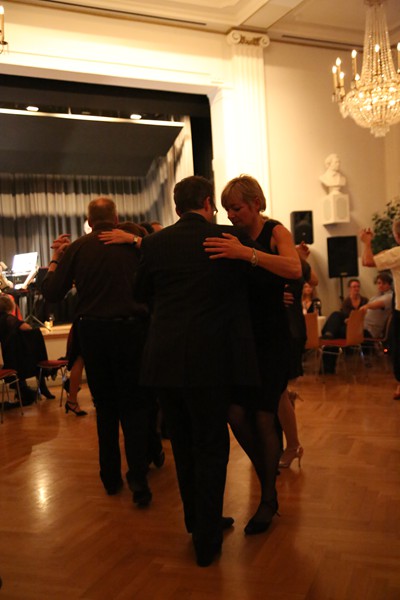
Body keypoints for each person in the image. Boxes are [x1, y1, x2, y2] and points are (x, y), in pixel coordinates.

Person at [134, 175, 260, 567]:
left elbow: (140, 293)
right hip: (209, 361)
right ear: (208, 202)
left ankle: (197, 522)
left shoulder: (154, 243)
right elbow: (249, 289)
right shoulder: (227, 238)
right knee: (211, 447)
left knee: (184, 446)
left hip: (164, 360)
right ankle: (207, 539)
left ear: (176, 207)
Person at [204, 175, 301, 534]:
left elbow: (294, 268)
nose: (231, 215)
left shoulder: (275, 231)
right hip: (239, 339)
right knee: (234, 412)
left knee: (263, 416)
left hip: (271, 338)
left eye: (237, 208)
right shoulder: (229, 236)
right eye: (227, 209)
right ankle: (266, 476)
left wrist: (247, 254)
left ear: (256, 203)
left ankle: (268, 499)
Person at [42, 198, 152, 506]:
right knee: (134, 406)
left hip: (93, 333)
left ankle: (110, 478)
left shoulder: (78, 248)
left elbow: (52, 292)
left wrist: (56, 258)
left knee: (105, 407)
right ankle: (139, 480)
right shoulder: (132, 243)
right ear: (116, 218)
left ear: (89, 222)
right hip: (132, 331)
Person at [360, 224, 400, 399]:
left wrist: (367, 242)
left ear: (397, 236)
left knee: (397, 349)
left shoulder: (397, 253)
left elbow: (367, 261)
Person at [0, 294, 56, 404]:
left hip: (10, 357)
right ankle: (44, 381)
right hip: (16, 360)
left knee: (31, 354)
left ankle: (42, 379)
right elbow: (26, 327)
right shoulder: (8, 318)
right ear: (10, 306)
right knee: (35, 343)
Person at [359, 272, 393, 339]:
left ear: (389, 285)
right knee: (338, 316)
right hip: (362, 326)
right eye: (379, 283)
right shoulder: (376, 296)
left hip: (371, 331)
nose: (380, 285)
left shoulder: (390, 296)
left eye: (384, 283)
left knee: (341, 329)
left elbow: (378, 304)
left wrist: (366, 306)